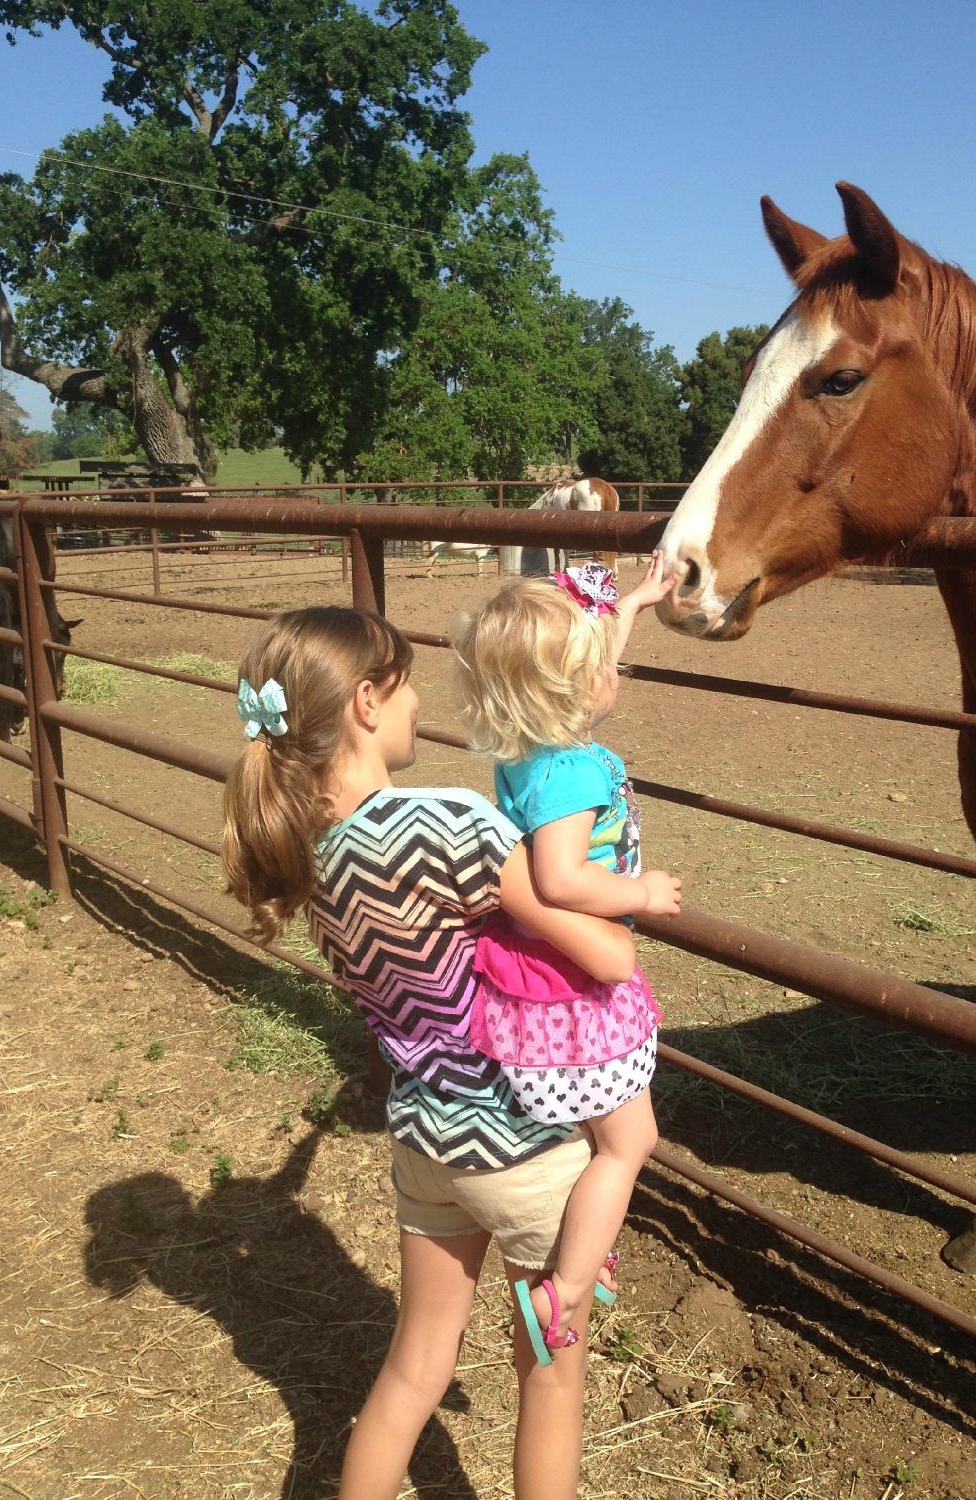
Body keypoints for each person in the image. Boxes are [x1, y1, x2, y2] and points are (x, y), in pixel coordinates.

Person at [221, 605, 640, 1500]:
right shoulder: (451, 824)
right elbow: (597, 946)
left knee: (413, 1369)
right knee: (549, 1376)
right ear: (367, 702)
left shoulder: (308, 848)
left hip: (422, 1136)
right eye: (406, 684)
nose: (419, 705)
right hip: (524, 1141)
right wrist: (633, 905)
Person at [451, 553, 682, 1360]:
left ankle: (576, 1253)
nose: (610, 673)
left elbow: (583, 664)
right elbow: (560, 876)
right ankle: (568, 1285)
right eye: (599, 665)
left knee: (603, 1137)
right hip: (576, 986)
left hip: (541, 977)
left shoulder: (530, 746)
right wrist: (641, 894)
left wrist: (637, 604)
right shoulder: (574, 769)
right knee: (629, 1144)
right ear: (578, 687)